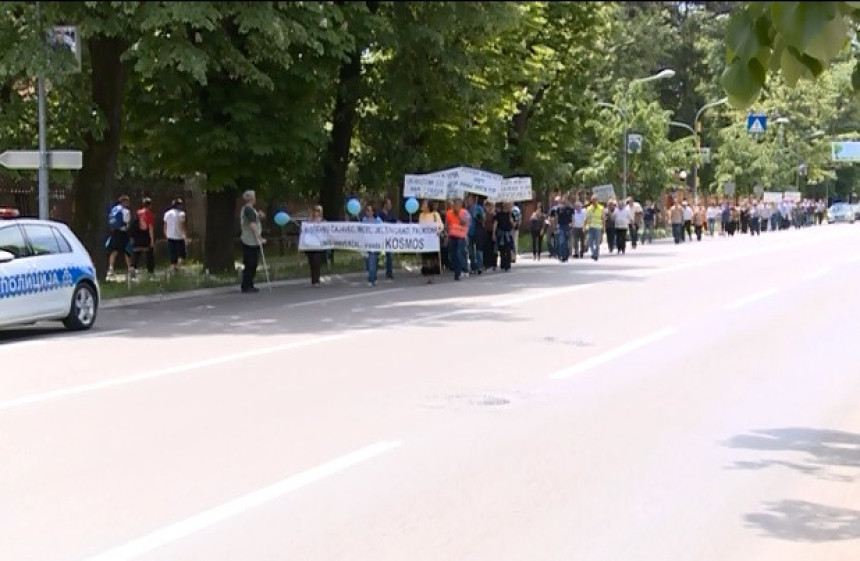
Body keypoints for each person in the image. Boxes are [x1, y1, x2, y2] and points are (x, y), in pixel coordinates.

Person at [239, 190, 265, 293]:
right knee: (251, 263)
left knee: (252, 263)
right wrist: (259, 237)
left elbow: (254, 219)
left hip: (251, 240)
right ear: (251, 198)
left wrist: (259, 215)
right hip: (250, 240)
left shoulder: (250, 209)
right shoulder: (248, 209)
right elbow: (252, 224)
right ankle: (246, 285)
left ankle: (249, 283)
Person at [107, 195, 132, 279]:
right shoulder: (126, 211)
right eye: (127, 201)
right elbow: (127, 223)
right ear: (124, 202)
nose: (128, 203)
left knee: (113, 251)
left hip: (115, 233)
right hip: (123, 233)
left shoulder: (114, 210)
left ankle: (111, 269)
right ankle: (129, 269)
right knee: (127, 251)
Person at [418, 200, 443, 283]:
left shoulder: (435, 214)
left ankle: (432, 276)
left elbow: (441, 225)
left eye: (424, 204)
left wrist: (438, 231)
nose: (423, 205)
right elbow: (419, 226)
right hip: (424, 239)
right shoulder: (421, 215)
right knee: (425, 258)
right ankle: (427, 275)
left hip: (432, 239)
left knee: (432, 257)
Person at [131, 197, 155, 278]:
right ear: (150, 205)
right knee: (149, 254)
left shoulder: (137, 213)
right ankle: (150, 271)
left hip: (137, 235)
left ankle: (133, 268)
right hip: (145, 235)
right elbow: (150, 228)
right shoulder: (149, 214)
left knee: (136, 253)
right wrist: (152, 241)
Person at [163, 197, 188, 272]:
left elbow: (165, 225)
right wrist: (185, 236)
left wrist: (166, 234)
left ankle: (173, 268)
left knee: (172, 255)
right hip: (179, 236)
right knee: (182, 255)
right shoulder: (181, 214)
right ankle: (177, 268)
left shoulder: (167, 213)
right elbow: (182, 225)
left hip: (170, 236)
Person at [361, 202, 382, 287]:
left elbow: (383, 230)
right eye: (367, 210)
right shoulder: (363, 220)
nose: (368, 212)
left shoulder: (378, 220)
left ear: (373, 212)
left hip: (375, 245)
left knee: (372, 262)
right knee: (368, 264)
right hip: (366, 245)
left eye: (370, 210)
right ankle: (374, 276)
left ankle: (371, 280)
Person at [304, 205, 325, 287]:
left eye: (318, 211)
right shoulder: (309, 221)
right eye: (315, 210)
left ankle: (317, 280)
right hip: (310, 245)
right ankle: (313, 280)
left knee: (316, 262)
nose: (316, 212)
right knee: (311, 262)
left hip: (318, 245)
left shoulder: (323, 221)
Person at [378, 198, 397, 280]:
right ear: (385, 205)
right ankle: (373, 271)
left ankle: (389, 273)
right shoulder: (379, 214)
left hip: (388, 238)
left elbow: (394, 221)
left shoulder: (390, 213)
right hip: (380, 237)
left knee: (389, 255)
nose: (390, 205)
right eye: (389, 204)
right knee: (376, 254)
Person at [494, 202, 515, 271]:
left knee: (508, 249)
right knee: (502, 249)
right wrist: (493, 233)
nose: (508, 207)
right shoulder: (499, 214)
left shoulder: (510, 214)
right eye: (507, 205)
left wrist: (511, 220)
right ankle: (503, 264)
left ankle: (508, 265)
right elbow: (495, 224)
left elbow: (514, 225)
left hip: (508, 234)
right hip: (501, 234)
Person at [585, 196, 604, 261]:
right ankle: (594, 253)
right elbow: (586, 218)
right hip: (590, 227)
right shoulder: (588, 208)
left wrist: (603, 227)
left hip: (598, 227)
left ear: (597, 200)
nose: (594, 201)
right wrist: (584, 227)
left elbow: (603, 218)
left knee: (597, 243)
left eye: (595, 200)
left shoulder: (601, 208)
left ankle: (596, 255)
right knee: (590, 242)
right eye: (593, 200)